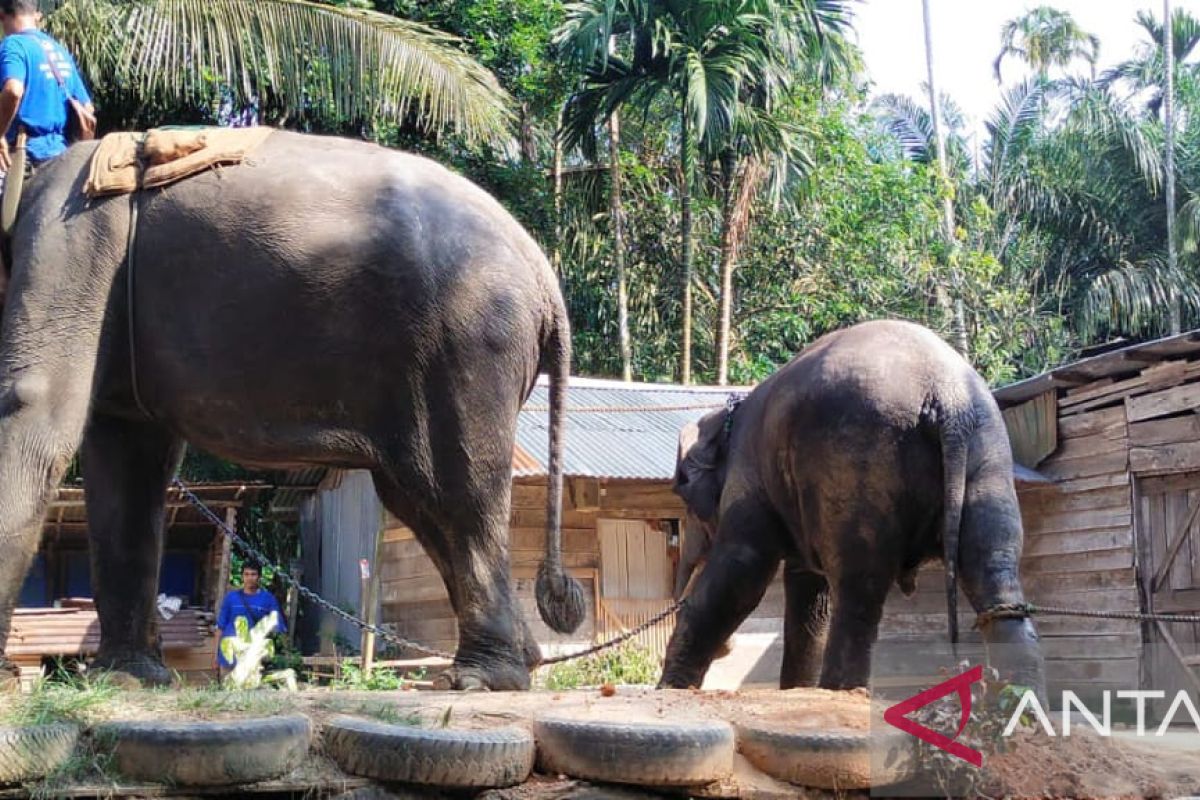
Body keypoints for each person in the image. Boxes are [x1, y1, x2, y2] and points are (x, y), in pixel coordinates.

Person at [0, 0, 93, 173]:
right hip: (61, 156)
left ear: (2, 15)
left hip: (25, 155)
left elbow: (13, 90)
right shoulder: (59, 50)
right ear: (37, 16)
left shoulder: (13, 44)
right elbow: (87, 107)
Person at [214, 560, 286, 680]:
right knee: (227, 693)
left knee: (249, 694)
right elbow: (220, 628)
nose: (249, 578)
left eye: (253, 574)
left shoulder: (268, 599)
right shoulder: (231, 598)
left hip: (253, 655)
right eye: (246, 574)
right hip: (228, 655)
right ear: (242, 576)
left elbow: (278, 627)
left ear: (259, 577)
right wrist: (215, 655)